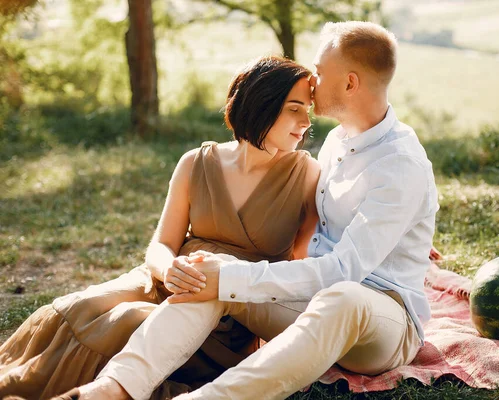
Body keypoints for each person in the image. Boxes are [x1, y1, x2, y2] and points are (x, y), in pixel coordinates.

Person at [71, 20, 440, 400]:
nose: (312, 80)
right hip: (313, 302)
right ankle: (112, 388)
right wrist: (226, 276)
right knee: (212, 276)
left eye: (319, 70)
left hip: (381, 321)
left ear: (349, 83)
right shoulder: (338, 141)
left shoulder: (400, 165)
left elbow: (343, 270)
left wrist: (237, 278)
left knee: (339, 295)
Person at [0, 56, 320, 400]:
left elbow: (298, 267)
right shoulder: (195, 162)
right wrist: (169, 270)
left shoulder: (306, 175)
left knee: (131, 320)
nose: (306, 122)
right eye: (294, 108)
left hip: (225, 305)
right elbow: (162, 243)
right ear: (261, 104)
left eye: (308, 111)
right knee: (83, 305)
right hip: (166, 276)